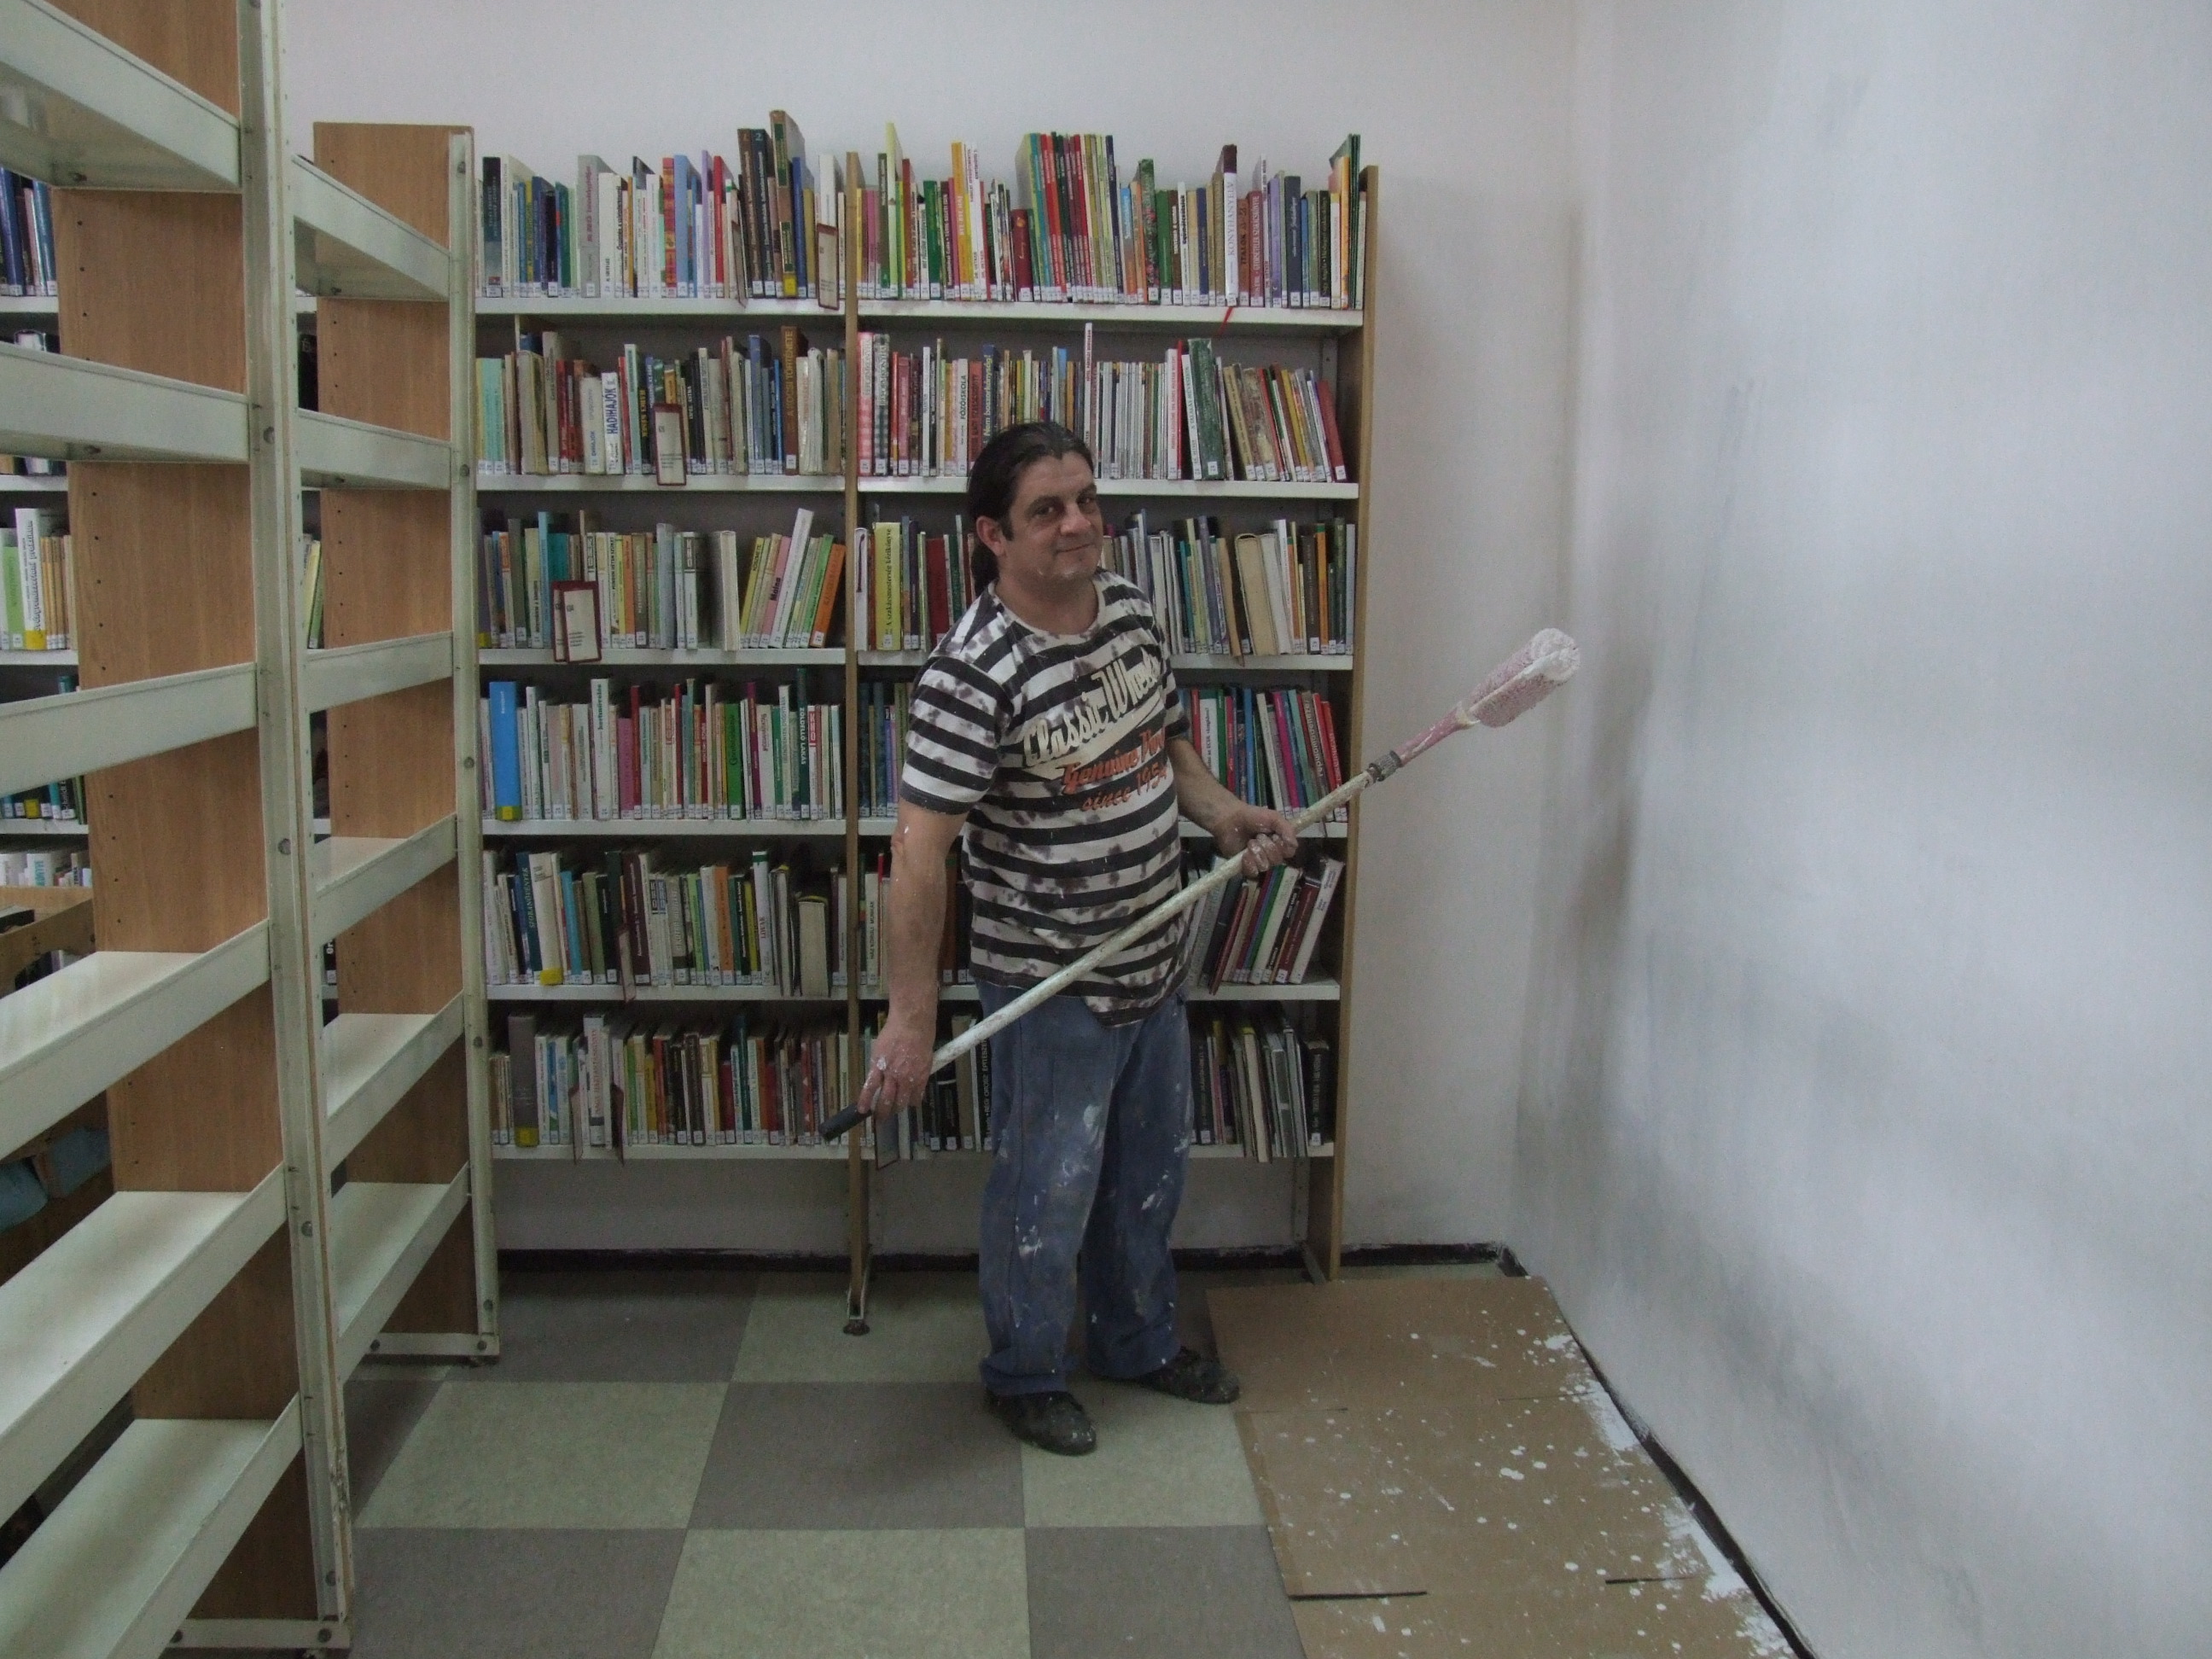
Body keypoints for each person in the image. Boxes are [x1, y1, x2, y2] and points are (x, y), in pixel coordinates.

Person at [857, 421, 1300, 1456]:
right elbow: (919, 857)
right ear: (992, 536)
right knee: (1045, 1191)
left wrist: (1224, 814)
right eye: (1047, 511)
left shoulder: (1132, 612)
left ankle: (1135, 1343)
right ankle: (1023, 1373)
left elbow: (1166, 746)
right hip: (1049, 981)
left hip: (1154, 954)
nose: (1079, 525)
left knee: (1147, 1176)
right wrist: (910, 1020)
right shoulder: (971, 674)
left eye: (1087, 500)